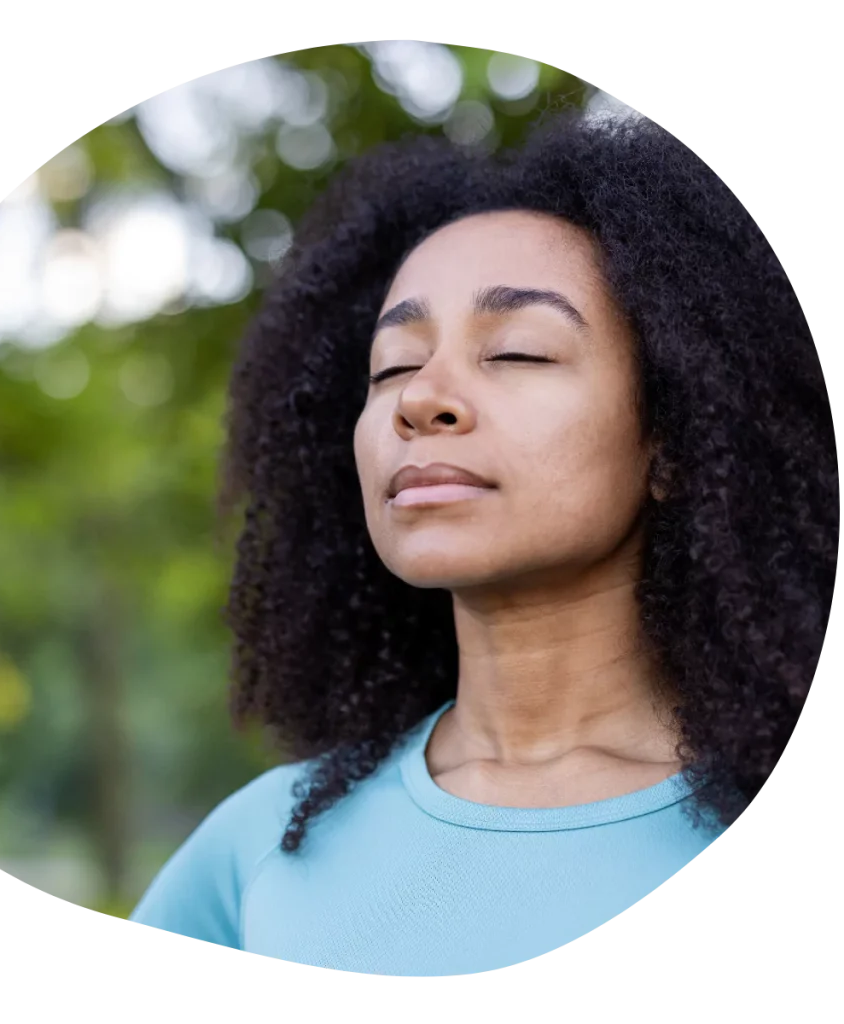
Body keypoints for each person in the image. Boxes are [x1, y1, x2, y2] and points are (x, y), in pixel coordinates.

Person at [126, 108, 837, 976]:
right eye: (391, 365)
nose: (421, 400)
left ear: (679, 440)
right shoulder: (262, 846)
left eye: (518, 353)